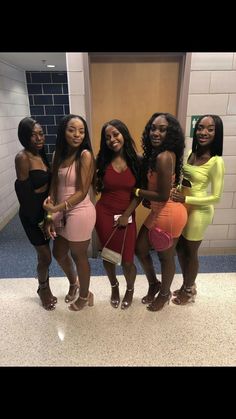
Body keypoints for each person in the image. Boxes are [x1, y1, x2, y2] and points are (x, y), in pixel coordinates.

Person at [43, 114, 96, 311]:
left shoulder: (85, 155)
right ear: (63, 131)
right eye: (72, 130)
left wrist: (57, 208)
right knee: (59, 253)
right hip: (60, 210)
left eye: (81, 131)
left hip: (79, 211)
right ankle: (75, 283)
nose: (77, 135)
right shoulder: (58, 153)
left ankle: (84, 296)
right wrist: (50, 215)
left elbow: (82, 192)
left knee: (78, 255)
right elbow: (54, 185)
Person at [135, 112, 187, 311]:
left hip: (169, 214)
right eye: (153, 128)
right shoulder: (156, 155)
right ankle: (154, 284)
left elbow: (163, 195)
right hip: (158, 211)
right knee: (140, 248)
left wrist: (138, 192)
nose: (155, 133)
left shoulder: (164, 157)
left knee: (166, 257)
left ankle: (164, 294)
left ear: (170, 134)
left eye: (162, 129)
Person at [170, 114, 225, 305]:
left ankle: (188, 289)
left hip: (200, 211)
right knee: (180, 248)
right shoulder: (193, 154)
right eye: (201, 127)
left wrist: (186, 197)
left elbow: (217, 197)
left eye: (210, 129)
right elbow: (188, 181)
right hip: (184, 207)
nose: (203, 132)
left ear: (217, 134)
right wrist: (177, 190)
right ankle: (188, 283)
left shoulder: (216, 161)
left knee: (191, 252)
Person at [95, 119, 141, 309]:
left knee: (128, 260)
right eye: (107, 137)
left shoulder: (137, 160)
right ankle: (114, 286)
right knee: (109, 256)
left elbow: (140, 193)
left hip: (127, 215)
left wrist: (126, 215)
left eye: (116, 134)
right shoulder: (102, 161)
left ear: (124, 134)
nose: (112, 139)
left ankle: (130, 289)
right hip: (104, 214)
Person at [15, 117, 57, 310]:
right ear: (25, 137)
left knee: (44, 256)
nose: (39, 138)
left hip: (44, 212)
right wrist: (41, 221)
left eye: (41, 133)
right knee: (45, 256)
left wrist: (49, 214)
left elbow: (48, 185)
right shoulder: (23, 158)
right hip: (32, 215)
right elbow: (24, 194)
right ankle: (43, 288)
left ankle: (44, 285)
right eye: (34, 135)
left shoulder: (41, 154)